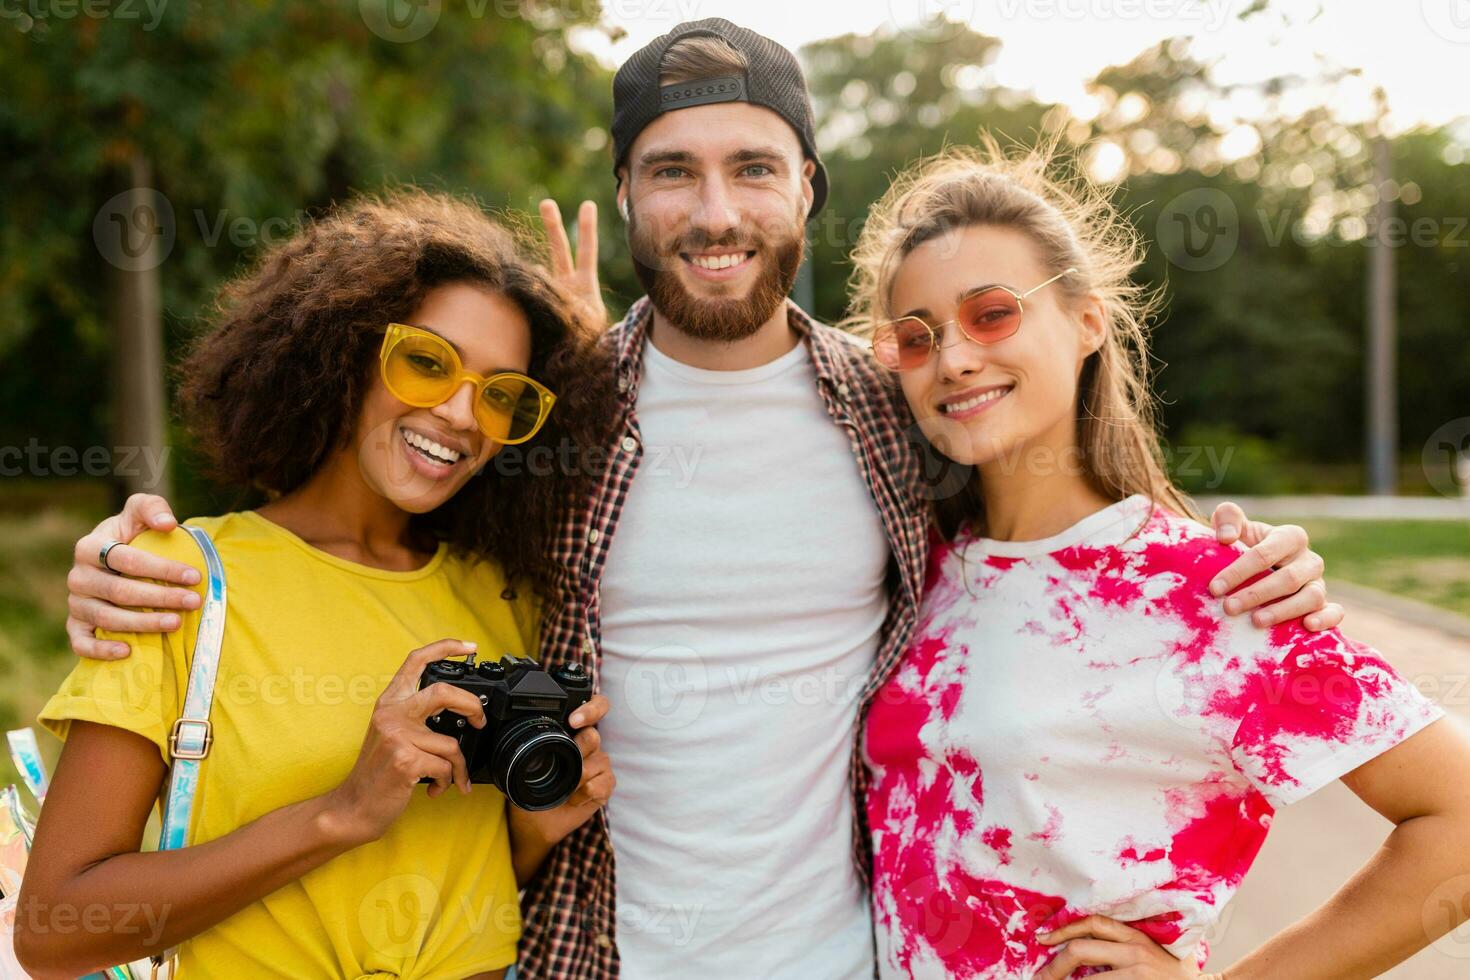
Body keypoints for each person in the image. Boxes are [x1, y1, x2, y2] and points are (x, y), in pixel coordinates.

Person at [56, 21, 1341, 979]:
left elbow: (1039, 516)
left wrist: (1235, 553)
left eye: (752, 167)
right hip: (572, 954)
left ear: (806, 190)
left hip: (845, 958)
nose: (713, 209)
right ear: (625, 193)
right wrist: (130, 556)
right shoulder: (540, 411)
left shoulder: (896, 403)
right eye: (671, 171)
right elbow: (358, 518)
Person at [850, 138, 1470, 979]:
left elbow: (1458, 824)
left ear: (1087, 322)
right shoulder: (910, 570)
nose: (954, 357)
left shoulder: (1210, 592)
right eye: (915, 338)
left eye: (991, 313)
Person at [15, 190, 617, 979]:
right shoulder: (182, 580)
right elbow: (56, 929)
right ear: (343, 352)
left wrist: (533, 833)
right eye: (427, 363)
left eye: (504, 394)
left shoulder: (510, 596)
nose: (465, 414)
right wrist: (341, 813)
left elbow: (457, 883)